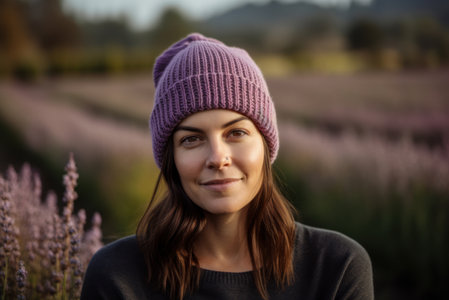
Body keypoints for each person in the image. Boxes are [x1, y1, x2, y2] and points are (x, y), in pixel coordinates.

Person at [81, 33, 374, 300]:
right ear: (171, 159)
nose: (218, 158)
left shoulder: (336, 267)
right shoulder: (118, 276)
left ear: (266, 144)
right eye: (192, 139)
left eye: (236, 133)